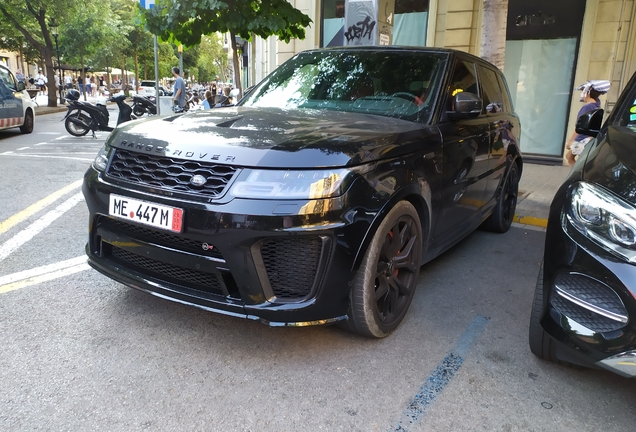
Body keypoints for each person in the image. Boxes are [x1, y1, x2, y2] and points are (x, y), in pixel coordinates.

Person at [565, 80, 610, 166]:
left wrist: (571, 140)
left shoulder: (588, 107)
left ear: (587, 93)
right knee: (572, 157)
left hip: (582, 138)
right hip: (588, 138)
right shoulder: (596, 105)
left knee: (573, 159)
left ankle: (578, 175)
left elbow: (580, 125)